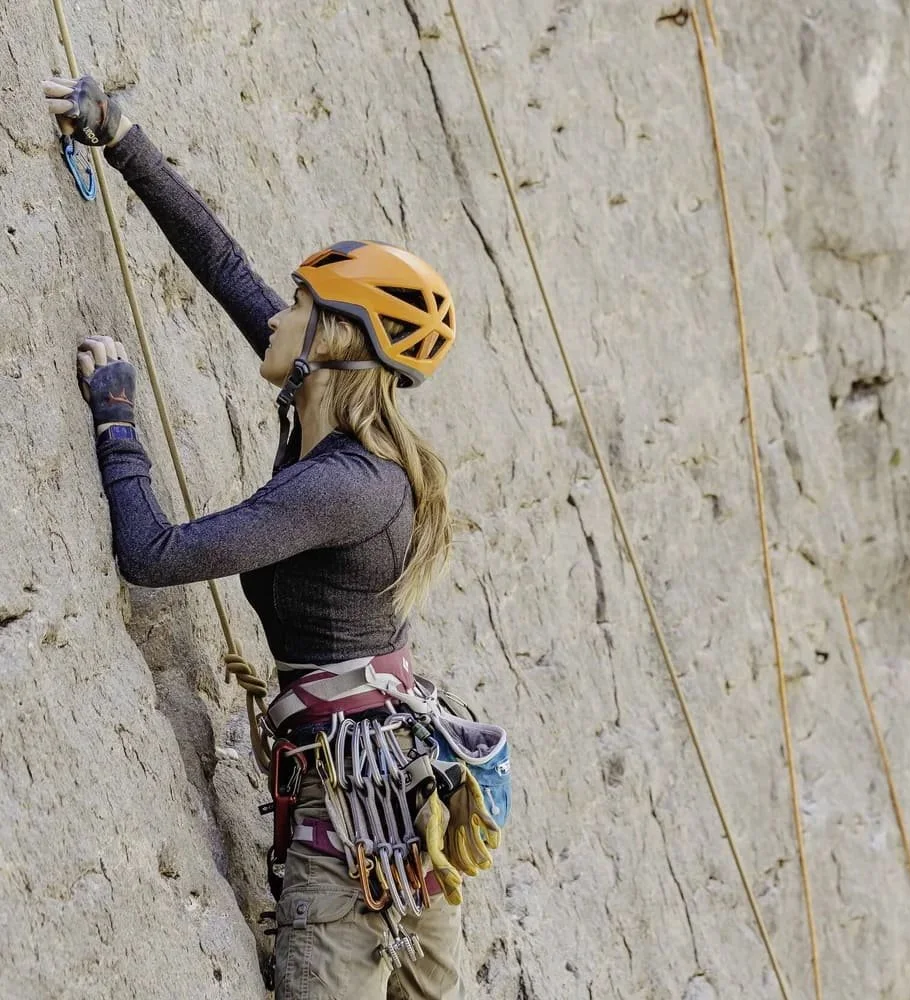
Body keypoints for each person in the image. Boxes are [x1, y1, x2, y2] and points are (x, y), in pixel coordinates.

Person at [44, 74, 502, 1000]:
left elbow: (157, 556)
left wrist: (117, 416)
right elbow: (222, 262)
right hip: (394, 804)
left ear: (332, 339)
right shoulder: (337, 421)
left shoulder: (343, 486)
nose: (281, 314)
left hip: (351, 843)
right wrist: (122, 138)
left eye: (300, 307)